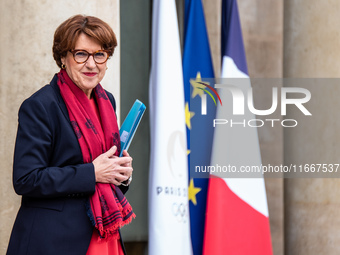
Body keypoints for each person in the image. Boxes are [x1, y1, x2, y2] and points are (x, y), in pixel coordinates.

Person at [7, 15, 135, 255]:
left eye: (100, 54)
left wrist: (120, 173)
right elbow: (26, 179)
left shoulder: (108, 101)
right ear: (63, 58)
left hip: (104, 233)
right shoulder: (40, 106)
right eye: (81, 54)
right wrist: (92, 172)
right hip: (54, 241)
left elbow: (103, 175)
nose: (91, 64)